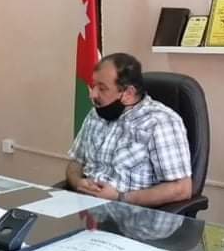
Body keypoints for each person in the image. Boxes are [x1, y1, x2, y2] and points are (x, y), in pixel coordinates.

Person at [67, 53, 192, 207]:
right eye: (94, 85)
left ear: (128, 93)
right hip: (86, 209)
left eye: (102, 88)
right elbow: (75, 162)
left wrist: (120, 197)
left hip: (131, 213)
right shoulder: (96, 114)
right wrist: (78, 182)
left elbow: (182, 189)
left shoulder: (159, 122)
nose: (92, 94)